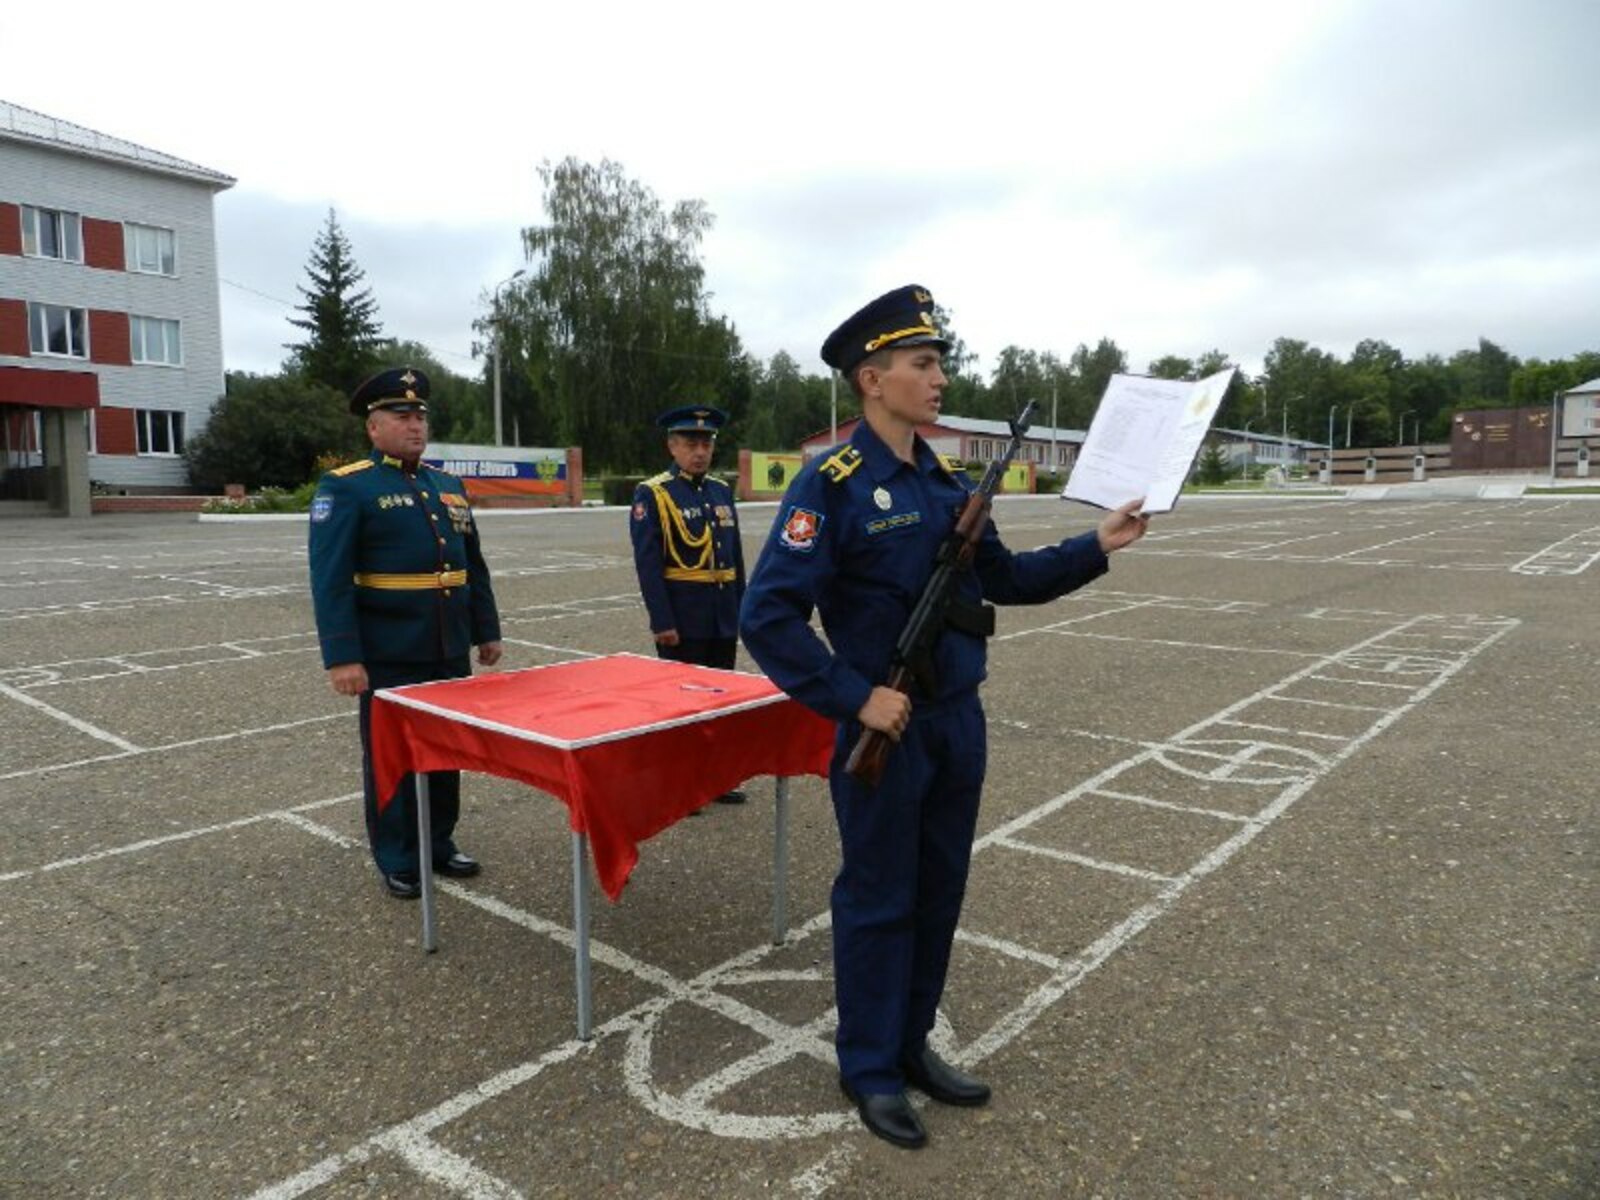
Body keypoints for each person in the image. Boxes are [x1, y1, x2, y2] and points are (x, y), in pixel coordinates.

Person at [739, 286, 1149, 1149]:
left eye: (938, 362)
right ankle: (870, 1068)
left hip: (957, 721)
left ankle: (911, 1042)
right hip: (884, 726)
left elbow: (1002, 579)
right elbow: (768, 614)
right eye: (922, 365)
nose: (939, 377)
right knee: (880, 896)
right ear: (871, 379)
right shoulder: (835, 483)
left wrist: (1096, 544)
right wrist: (854, 697)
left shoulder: (947, 480)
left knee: (939, 890)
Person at [307, 366, 504, 898]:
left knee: (446, 751)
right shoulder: (348, 487)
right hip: (390, 649)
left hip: (447, 644)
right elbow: (330, 580)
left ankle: (439, 842)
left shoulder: (447, 486)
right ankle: (397, 854)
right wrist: (342, 657)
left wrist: (486, 629)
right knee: (393, 755)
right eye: (401, 415)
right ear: (373, 427)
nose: (415, 425)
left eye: (419, 416)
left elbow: (472, 565)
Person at [629, 404, 748, 804]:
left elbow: (734, 556)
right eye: (690, 443)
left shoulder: (720, 490)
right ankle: (679, 784)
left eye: (706, 442)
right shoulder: (655, 494)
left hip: (721, 614)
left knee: (718, 700)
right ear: (672, 446)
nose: (700, 451)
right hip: (683, 616)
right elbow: (649, 565)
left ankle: (713, 778)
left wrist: (743, 609)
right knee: (680, 705)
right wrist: (662, 620)